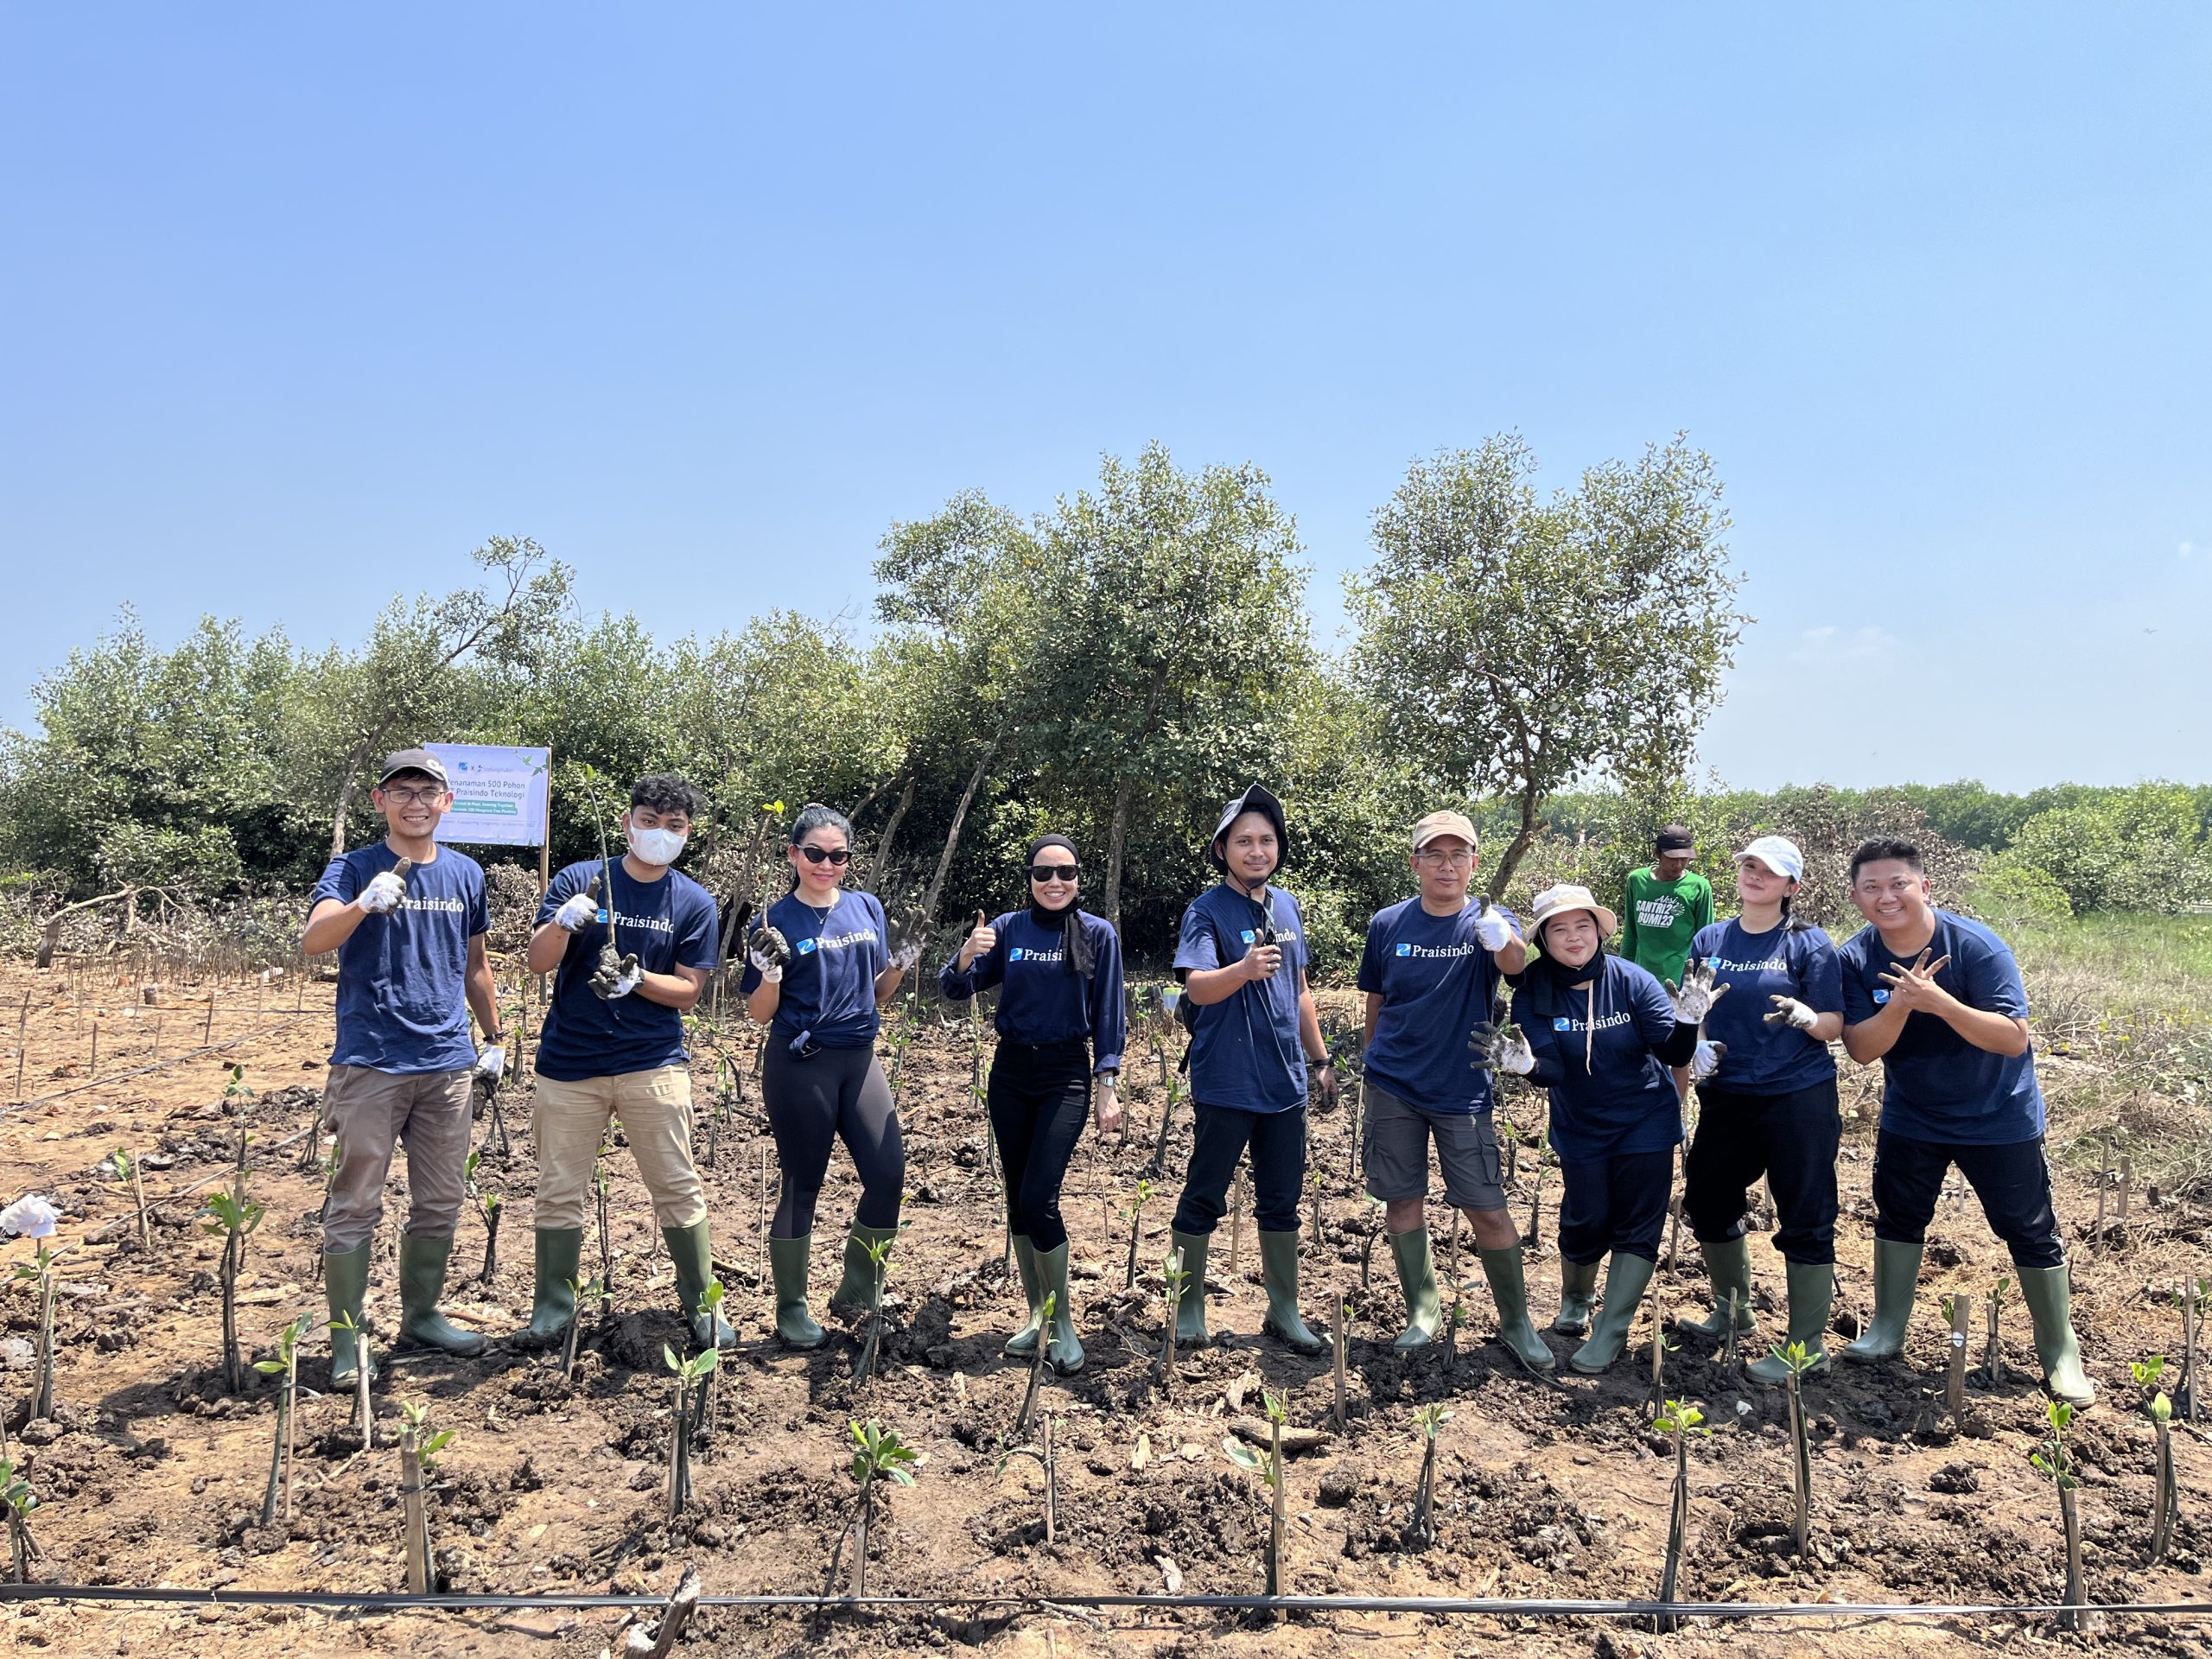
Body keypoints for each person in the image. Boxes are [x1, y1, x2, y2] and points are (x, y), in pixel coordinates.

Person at [1834, 838, 2091, 1404]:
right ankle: (1887, 1329)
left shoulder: (1977, 948)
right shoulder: (1853, 958)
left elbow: (2013, 1038)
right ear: (1855, 897)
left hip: (1998, 1115)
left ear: (1925, 887)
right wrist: (1901, 1004)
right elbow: (1862, 1050)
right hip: (1913, 1114)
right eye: (1872, 887)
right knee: (1899, 1217)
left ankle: (2059, 1350)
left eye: (1898, 884)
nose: (1886, 897)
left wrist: (1939, 1002)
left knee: (2028, 1229)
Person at [302, 748, 505, 1383]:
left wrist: (494, 1037)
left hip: (447, 1062)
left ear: (447, 801)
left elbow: (475, 965)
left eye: (427, 792)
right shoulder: (352, 868)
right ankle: (347, 1340)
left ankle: (422, 1317)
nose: (415, 803)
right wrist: (362, 904)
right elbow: (314, 940)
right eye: (401, 792)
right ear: (380, 801)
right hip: (372, 1060)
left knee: (441, 1199)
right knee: (356, 1201)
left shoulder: (466, 874)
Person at [517, 774, 730, 1351]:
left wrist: (637, 980)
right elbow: (537, 962)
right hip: (570, 1064)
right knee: (558, 1190)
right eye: (649, 821)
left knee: (678, 1187)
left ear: (688, 832)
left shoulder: (693, 902)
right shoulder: (579, 880)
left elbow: (689, 991)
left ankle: (702, 1305)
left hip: (652, 1064)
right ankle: (553, 1309)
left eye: (674, 825)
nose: (660, 833)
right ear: (626, 823)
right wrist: (563, 923)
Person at [1474, 883, 1713, 1373]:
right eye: (1559, 929)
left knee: (1638, 1224)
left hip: (1645, 1117)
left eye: (1583, 925)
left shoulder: (1632, 981)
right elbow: (1553, 1070)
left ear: (1600, 931)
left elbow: (1672, 1052)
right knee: (1586, 1217)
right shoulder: (1534, 990)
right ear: (1543, 940)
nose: (1574, 937)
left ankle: (1612, 1329)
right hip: (1581, 1122)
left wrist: (1688, 1022)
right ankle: (1577, 1299)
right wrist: (1526, 1066)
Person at [1356, 810, 1551, 1373]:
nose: (1447, 866)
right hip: (1394, 1084)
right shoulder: (1388, 924)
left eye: (1458, 855)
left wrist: (1504, 940)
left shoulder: (1489, 919)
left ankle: (1515, 1322)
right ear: (1415, 863)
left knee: (1486, 1206)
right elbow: (1376, 998)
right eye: (1435, 855)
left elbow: (1516, 964)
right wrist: (1371, 1059)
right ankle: (1422, 1310)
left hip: (1462, 1090)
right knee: (1402, 1200)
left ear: (1474, 863)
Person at [939, 835, 1128, 1374]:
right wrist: (966, 955)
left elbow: (1109, 1013)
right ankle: (1036, 1316)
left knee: (1040, 1197)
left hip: (1064, 1074)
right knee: (1018, 1199)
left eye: (1065, 872)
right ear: (1029, 879)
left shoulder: (1097, 934)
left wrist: (1107, 1083)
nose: (1055, 882)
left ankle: (1063, 1324)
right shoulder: (1007, 929)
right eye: (1043, 873)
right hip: (1011, 1072)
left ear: (1078, 879)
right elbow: (955, 988)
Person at [741, 804, 924, 1348]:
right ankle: (792, 1309)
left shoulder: (866, 907)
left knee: (888, 1175)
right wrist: (769, 974)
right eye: (815, 854)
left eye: (838, 856)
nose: (826, 865)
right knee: (803, 1184)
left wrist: (899, 965)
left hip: (859, 1057)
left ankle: (858, 1289)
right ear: (793, 854)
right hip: (802, 1062)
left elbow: (877, 993)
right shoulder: (772, 921)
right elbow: (759, 1013)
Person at [1167, 785, 1341, 1356]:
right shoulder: (1206, 911)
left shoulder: (1286, 906)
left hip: (1285, 1080)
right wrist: (1241, 969)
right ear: (1223, 849)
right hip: (1227, 1079)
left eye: (1267, 840)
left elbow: (1301, 990)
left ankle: (1283, 1309)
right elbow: (1197, 987)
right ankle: (1188, 1308)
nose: (1257, 850)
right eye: (1244, 841)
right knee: (1204, 1195)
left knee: (1281, 1200)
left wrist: (1320, 1061)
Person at [1675, 836, 1846, 1380]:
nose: (1755, 876)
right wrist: (1697, 1043)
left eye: (1769, 871)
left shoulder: (1809, 943)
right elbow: (1695, 1007)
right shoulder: (1710, 938)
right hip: (1727, 1093)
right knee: (1707, 1197)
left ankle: (1805, 1346)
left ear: (1791, 886)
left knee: (1805, 1212)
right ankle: (1734, 1311)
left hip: (1797, 1094)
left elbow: (1834, 1023)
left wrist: (1807, 1018)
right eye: (1749, 865)